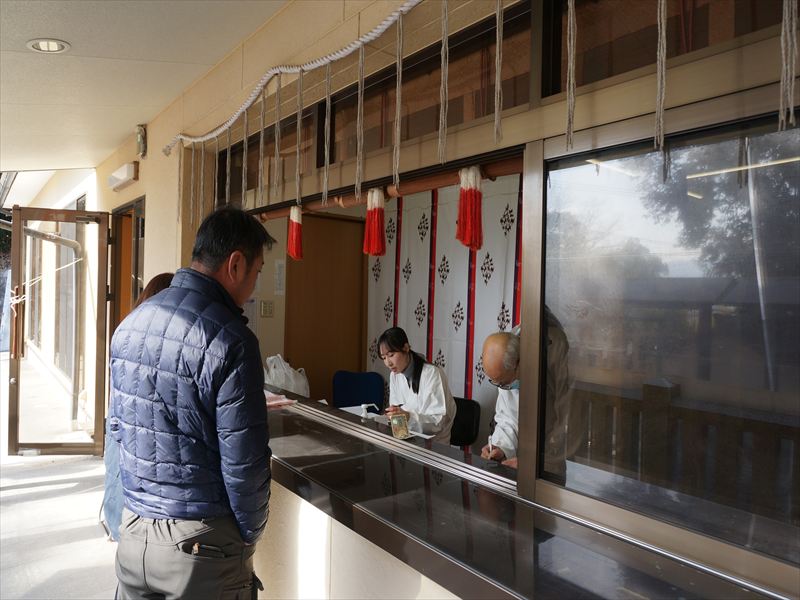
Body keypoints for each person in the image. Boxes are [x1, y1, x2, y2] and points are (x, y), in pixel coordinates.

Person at [109, 207, 272, 599]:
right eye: (257, 272)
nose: (254, 287)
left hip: (134, 534)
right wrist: (247, 535)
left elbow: (117, 429)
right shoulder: (232, 340)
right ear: (236, 264)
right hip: (201, 549)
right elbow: (245, 465)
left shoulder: (131, 324)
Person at [101, 272, 174, 542]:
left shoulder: (127, 330)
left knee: (117, 470)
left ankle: (114, 523)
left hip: (120, 424)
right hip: (137, 431)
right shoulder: (161, 343)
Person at [380, 327, 456, 443]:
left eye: (391, 355)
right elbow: (396, 415)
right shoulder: (394, 375)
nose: (388, 363)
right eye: (384, 358)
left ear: (406, 348)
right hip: (407, 441)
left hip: (434, 445)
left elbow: (438, 423)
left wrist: (408, 417)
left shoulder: (432, 374)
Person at [480, 328, 520, 468]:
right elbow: (508, 420)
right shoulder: (506, 374)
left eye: (503, 383)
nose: (501, 387)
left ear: (519, 364)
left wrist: (531, 463)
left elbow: (558, 432)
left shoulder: (551, 371)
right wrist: (501, 448)